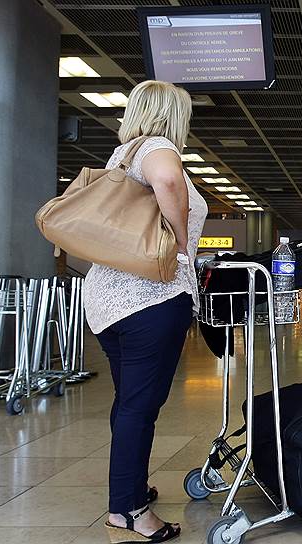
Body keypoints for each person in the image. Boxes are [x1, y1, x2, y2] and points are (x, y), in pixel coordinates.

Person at [85, 80, 207, 543]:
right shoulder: (157, 148)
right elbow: (169, 180)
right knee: (140, 405)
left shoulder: (122, 156)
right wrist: (181, 242)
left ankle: (129, 489)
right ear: (173, 115)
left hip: (109, 300)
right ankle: (129, 511)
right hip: (148, 299)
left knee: (129, 402)